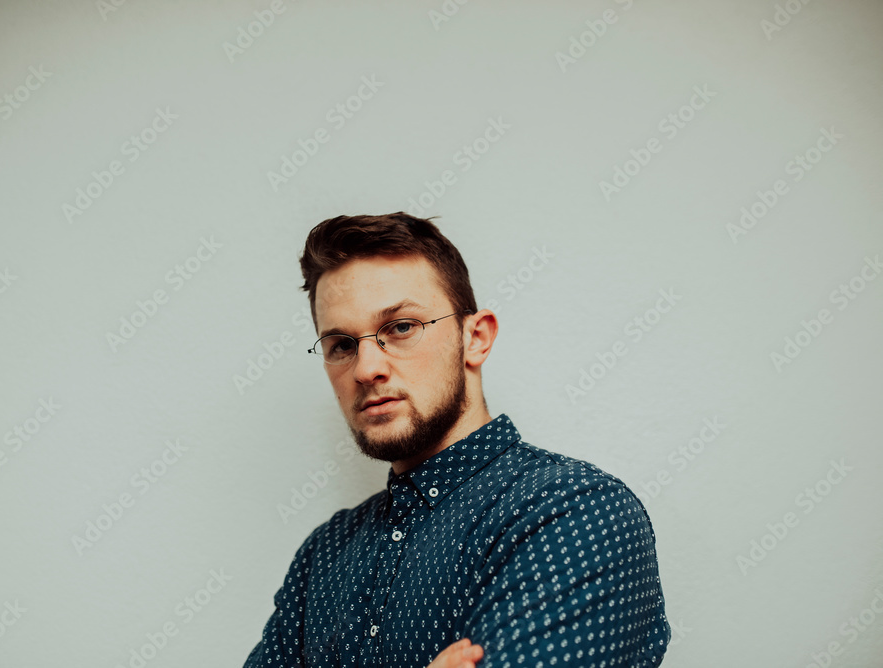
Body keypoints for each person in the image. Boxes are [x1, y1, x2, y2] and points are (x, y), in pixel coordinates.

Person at [244, 213, 670, 667]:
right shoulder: (324, 554)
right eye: (342, 344)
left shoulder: (575, 510)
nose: (366, 369)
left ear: (476, 338)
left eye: (401, 327)